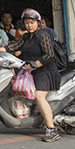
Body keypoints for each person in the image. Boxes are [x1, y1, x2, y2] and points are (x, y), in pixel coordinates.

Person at [5, 8, 61, 142]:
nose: (29, 25)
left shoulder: (43, 35)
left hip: (45, 71)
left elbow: (49, 55)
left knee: (39, 96)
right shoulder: (25, 37)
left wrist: (35, 64)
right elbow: (14, 47)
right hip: (31, 71)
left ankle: (51, 129)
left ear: (38, 23)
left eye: (32, 22)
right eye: (27, 23)